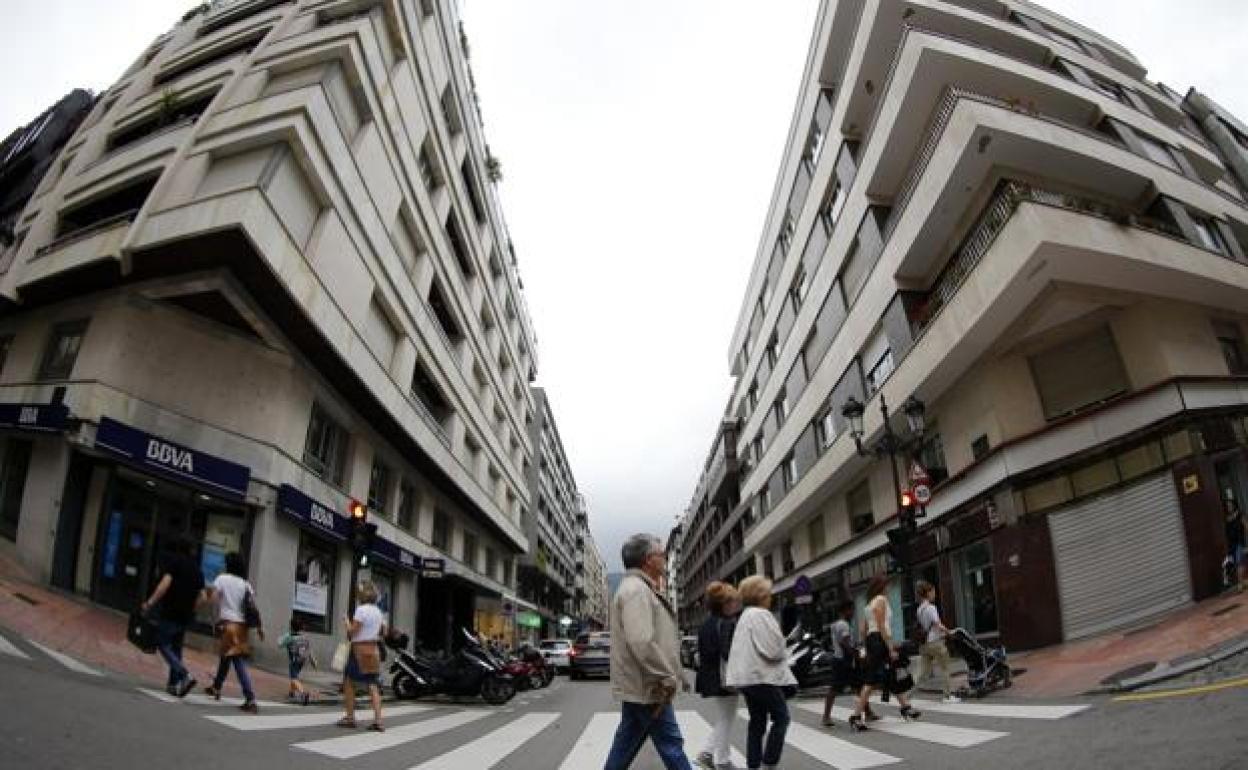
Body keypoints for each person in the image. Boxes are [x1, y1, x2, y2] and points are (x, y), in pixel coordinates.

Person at [604, 533, 691, 770]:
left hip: (642, 685)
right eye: (662, 555)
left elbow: (653, 640)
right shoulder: (637, 591)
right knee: (672, 745)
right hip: (649, 685)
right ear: (648, 560)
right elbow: (642, 641)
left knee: (625, 746)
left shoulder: (638, 588)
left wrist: (677, 675)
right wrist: (666, 675)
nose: (664, 559)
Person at [725, 575, 796, 770]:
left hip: (747, 679)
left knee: (757, 723)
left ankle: (753, 765)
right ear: (761, 595)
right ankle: (769, 763)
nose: (771, 596)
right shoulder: (761, 615)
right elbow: (773, 650)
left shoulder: (745, 615)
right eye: (768, 593)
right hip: (761, 677)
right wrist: (783, 643)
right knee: (782, 718)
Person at [848, 574, 920, 732]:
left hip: (872, 641)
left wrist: (866, 647)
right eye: (886, 585)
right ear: (881, 586)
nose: (887, 588)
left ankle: (906, 707)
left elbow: (862, 630)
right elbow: (881, 626)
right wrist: (890, 647)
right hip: (880, 641)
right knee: (871, 680)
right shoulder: (881, 600)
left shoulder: (868, 605)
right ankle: (855, 716)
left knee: (891, 674)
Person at [140, 538, 203, 698]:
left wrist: (150, 603)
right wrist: (192, 609)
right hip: (185, 616)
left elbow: (164, 585)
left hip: (170, 611)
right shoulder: (198, 570)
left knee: (162, 643)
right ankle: (173, 685)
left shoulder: (175, 562)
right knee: (176, 648)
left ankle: (184, 675)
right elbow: (202, 596)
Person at [202, 552, 263, 713]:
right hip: (241, 626)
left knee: (237, 660)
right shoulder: (245, 584)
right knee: (226, 657)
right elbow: (253, 608)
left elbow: (213, 599)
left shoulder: (222, 579)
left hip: (228, 624)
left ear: (228, 564)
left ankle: (250, 698)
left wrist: (214, 619)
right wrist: (259, 627)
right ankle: (216, 687)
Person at [693, 581, 740, 770]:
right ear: (724, 604)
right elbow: (728, 653)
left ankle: (707, 754)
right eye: (732, 601)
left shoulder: (706, 624)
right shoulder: (727, 623)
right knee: (727, 718)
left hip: (712, 677)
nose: (735, 605)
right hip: (725, 677)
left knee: (724, 717)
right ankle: (722, 760)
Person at [338, 581, 387, 732]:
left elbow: (352, 633)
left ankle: (350, 717)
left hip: (358, 650)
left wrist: (346, 622)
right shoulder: (379, 612)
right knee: (372, 684)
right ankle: (378, 721)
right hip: (373, 649)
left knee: (349, 682)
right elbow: (384, 632)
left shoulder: (361, 610)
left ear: (362, 595)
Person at [915, 581, 961, 703]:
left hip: (924, 645)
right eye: (933, 592)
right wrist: (948, 632)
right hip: (935, 642)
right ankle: (947, 696)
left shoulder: (919, 609)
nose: (935, 594)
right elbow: (937, 625)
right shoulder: (931, 608)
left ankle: (908, 695)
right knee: (945, 667)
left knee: (923, 673)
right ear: (928, 593)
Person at [820, 599, 859, 726]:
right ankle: (826, 717)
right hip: (843, 660)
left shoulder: (836, 624)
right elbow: (844, 642)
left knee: (858, 685)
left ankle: (868, 711)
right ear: (846, 610)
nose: (853, 613)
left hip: (839, 659)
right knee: (835, 688)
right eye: (852, 610)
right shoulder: (843, 624)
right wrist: (854, 653)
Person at [279, 616, 318, 705]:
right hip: (302, 660)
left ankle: (303, 693)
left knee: (293, 678)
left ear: (291, 627)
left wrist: (285, 636)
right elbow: (309, 650)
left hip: (294, 660)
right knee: (295, 676)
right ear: (301, 627)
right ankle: (292, 693)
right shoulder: (305, 638)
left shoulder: (290, 637)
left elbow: (279, 644)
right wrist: (313, 661)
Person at [1226, 498, 1246, 592]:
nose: (1229, 507)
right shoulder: (1228, 517)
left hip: (1239, 542)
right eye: (1227, 506)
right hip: (1232, 545)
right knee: (1239, 563)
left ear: (1234, 505)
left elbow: (1246, 526)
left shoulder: (1240, 515)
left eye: (1230, 505)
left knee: (1239, 563)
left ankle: (1240, 585)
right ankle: (1241, 583)